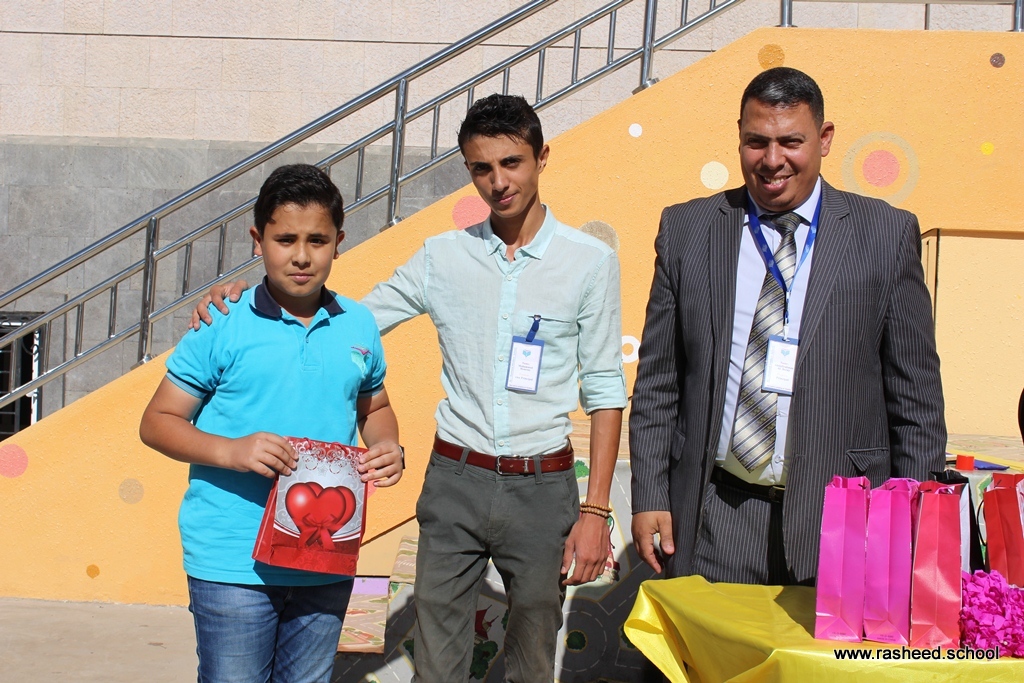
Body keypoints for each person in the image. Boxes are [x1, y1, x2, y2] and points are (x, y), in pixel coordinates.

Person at [189, 95, 627, 682]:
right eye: (481, 168)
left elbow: (604, 387)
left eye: (512, 162)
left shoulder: (589, 262)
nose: (498, 182)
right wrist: (247, 299)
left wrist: (595, 509)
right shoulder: (443, 256)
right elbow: (350, 320)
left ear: (541, 157)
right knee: (437, 665)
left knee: (531, 663)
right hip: (455, 481)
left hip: (542, 488)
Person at [629, 67, 946, 586]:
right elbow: (658, 383)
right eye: (757, 141)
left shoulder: (885, 235)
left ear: (824, 139)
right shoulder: (688, 230)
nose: (772, 160)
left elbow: (916, 401)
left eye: (791, 142)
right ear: (739, 137)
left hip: (846, 525)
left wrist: (913, 523)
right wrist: (649, 494)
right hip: (715, 518)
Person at [140, 164, 404, 683]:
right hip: (232, 561)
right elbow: (158, 421)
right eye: (285, 240)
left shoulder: (359, 324)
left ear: (339, 243)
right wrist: (231, 451)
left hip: (325, 558)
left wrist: (388, 445)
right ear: (257, 240)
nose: (302, 256)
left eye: (317, 240)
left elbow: (374, 408)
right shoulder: (221, 321)